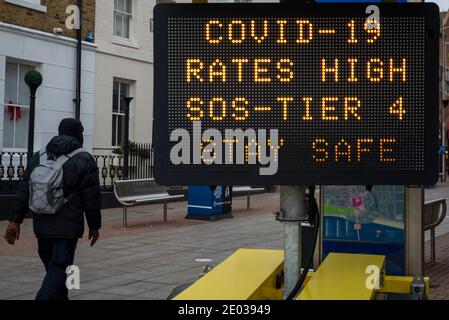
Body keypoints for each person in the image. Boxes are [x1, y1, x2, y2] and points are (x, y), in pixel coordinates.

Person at [3, 118, 101, 300]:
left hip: (42, 223)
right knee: (59, 268)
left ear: (60, 132)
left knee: (54, 268)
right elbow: (91, 198)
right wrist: (95, 225)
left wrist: (14, 221)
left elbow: (24, 190)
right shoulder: (84, 159)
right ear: (79, 134)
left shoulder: (39, 156)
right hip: (67, 227)